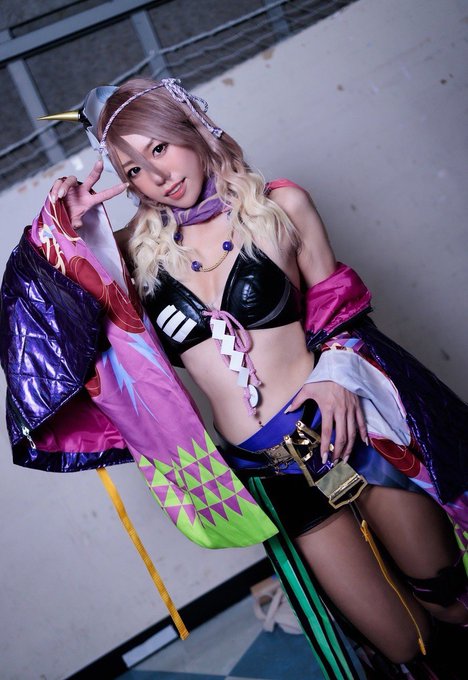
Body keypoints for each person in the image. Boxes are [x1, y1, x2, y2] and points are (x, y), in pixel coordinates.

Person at [3, 77, 467, 678]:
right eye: (134, 168)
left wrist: (333, 375)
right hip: (267, 468)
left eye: (160, 148)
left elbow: (343, 314)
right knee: (402, 644)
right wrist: (62, 231)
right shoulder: (130, 255)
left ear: (193, 130)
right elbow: (47, 325)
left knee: (446, 596)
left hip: (349, 435)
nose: (157, 175)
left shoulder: (281, 206)